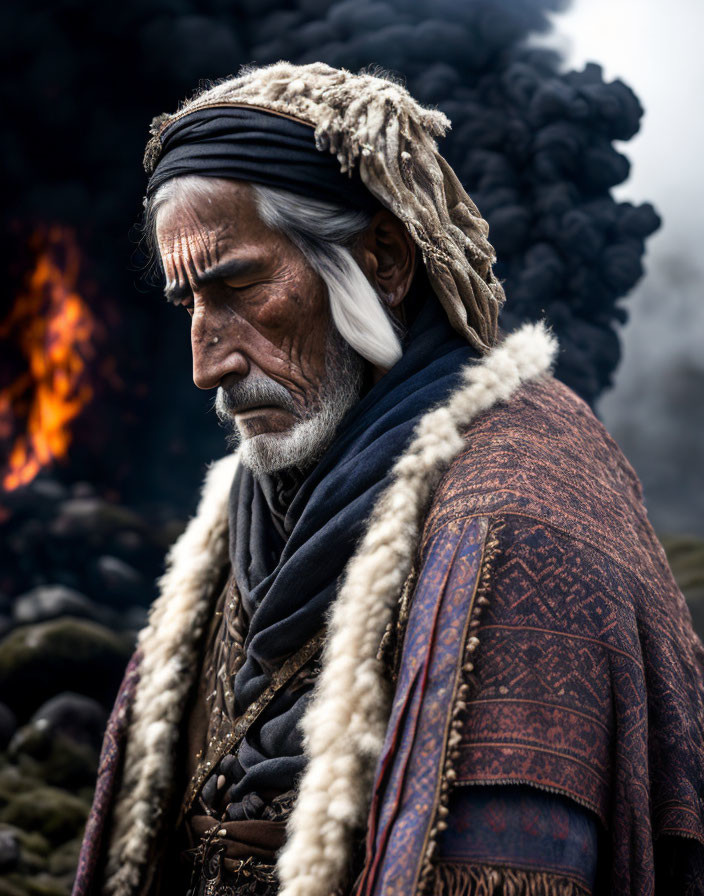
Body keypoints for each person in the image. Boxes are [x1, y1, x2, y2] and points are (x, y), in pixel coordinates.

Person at [73, 62, 704, 896]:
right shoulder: (251, 505)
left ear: (383, 260)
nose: (206, 363)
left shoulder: (520, 521)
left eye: (238, 285)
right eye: (190, 302)